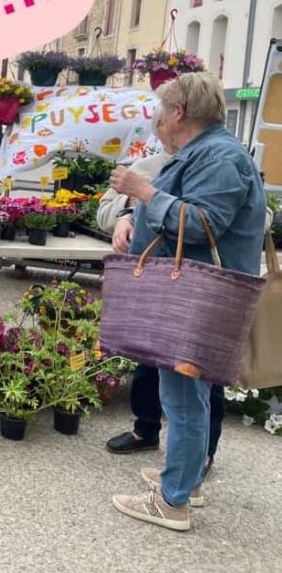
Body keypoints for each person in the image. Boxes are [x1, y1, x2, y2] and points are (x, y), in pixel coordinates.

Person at [108, 73, 266, 532]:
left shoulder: (219, 156)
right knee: (185, 392)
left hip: (196, 293)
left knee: (183, 395)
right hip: (191, 289)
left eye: (163, 109)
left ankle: (172, 501)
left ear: (179, 113)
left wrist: (143, 193)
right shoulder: (212, 152)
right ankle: (187, 480)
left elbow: (203, 224)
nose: (158, 118)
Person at [98, 113, 225, 467]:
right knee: (148, 356)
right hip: (155, 276)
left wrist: (147, 198)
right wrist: (128, 213)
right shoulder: (149, 165)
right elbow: (104, 211)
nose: (171, 141)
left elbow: (239, 219)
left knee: (202, 371)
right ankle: (146, 428)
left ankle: (203, 455)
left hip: (198, 281)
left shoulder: (220, 163)